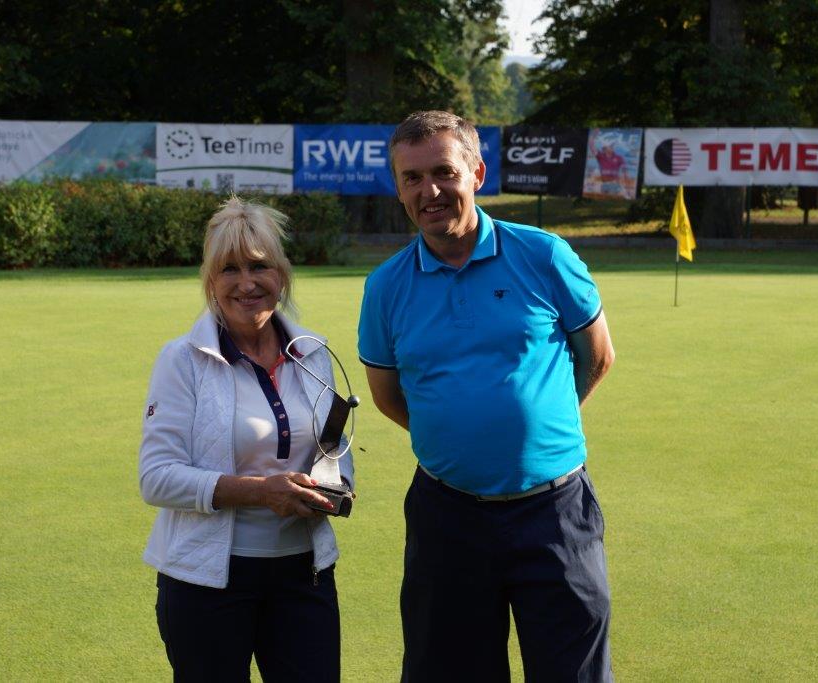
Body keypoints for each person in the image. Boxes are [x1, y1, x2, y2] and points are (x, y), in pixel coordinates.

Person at [358, 111, 616, 682]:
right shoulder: (385, 287)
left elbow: (597, 356)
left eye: (444, 172)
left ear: (476, 173)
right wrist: (459, 439)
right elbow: (388, 396)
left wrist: (537, 428)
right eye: (412, 178)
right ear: (398, 189)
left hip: (555, 513)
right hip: (447, 518)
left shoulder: (545, 255)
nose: (429, 191)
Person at [140, 197, 353, 682]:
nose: (246, 283)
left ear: (282, 273)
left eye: (259, 266)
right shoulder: (182, 359)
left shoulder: (313, 353)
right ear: (210, 281)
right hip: (206, 583)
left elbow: (332, 446)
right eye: (229, 269)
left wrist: (334, 487)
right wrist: (260, 491)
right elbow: (156, 478)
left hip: (304, 575)